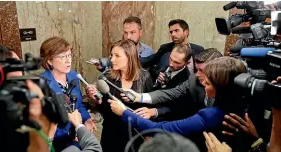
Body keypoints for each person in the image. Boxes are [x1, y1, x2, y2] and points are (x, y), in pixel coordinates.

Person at [108, 57, 247, 151]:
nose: (203, 82)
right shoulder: (245, 103)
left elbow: (160, 128)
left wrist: (125, 113)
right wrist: (140, 97)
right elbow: (172, 93)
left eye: (208, 83)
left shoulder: (211, 115)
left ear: (221, 88)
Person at [85, 39, 154, 152]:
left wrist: (149, 133)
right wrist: (97, 100)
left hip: (136, 133)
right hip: (112, 132)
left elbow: (150, 108)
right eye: (112, 55)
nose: (112, 59)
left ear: (129, 57)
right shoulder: (107, 76)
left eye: (117, 56)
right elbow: (104, 110)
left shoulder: (145, 77)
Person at [125, 48, 223, 121]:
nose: (197, 74)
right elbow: (172, 93)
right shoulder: (193, 79)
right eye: (197, 70)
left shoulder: (231, 89)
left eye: (202, 70)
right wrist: (140, 97)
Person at [39, 36, 96, 151]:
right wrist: (72, 133)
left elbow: (78, 105)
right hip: (56, 139)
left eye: (69, 55)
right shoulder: (41, 83)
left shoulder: (74, 76)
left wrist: (87, 120)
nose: (68, 60)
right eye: (62, 57)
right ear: (49, 60)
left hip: (77, 136)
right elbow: (45, 121)